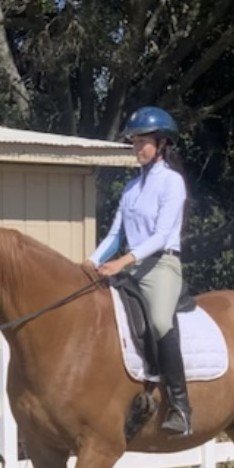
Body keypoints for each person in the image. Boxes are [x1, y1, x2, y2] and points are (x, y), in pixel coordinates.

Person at [90, 105, 192, 436]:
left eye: (142, 143)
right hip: (133, 266)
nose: (137, 149)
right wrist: (89, 263)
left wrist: (123, 261)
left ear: (161, 144)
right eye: (134, 143)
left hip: (162, 264)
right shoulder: (131, 189)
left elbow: (162, 234)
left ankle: (180, 405)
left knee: (161, 321)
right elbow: (115, 235)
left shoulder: (172, 183)